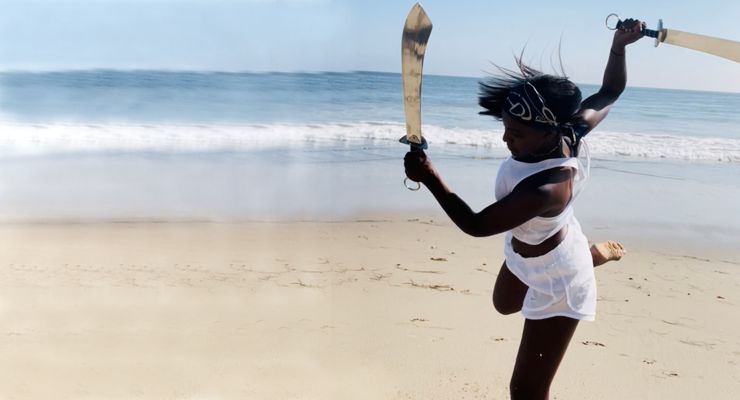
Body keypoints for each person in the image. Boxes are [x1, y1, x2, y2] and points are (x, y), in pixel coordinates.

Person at [403, 18, 644, 400]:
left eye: (515, 133)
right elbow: (611, 91)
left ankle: (587, 261)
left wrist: (430, 176)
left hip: (561, 279)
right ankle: (592, 253)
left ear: (547, 132)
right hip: (529, 247)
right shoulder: (570, 128)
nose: (505, 138)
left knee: (526, 390)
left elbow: (476, 225)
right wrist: (619, 45)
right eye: (505, 127)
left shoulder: (546, 189)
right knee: (504, 305)